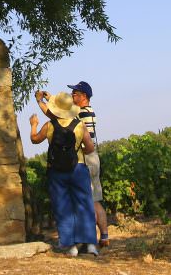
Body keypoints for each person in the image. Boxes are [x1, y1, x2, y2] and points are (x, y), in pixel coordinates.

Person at [35, 81, 109, 248]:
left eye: (75, 93)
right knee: (94, 200)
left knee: (86, 202)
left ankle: (87, 241)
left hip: (85, 158)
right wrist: (51, 98)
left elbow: (57, 118)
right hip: (91, 157)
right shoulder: (86, 112)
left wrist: (41, 102)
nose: (72, 96)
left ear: (83, 97)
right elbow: (61, 114)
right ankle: (103, 236)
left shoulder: (83, 114)